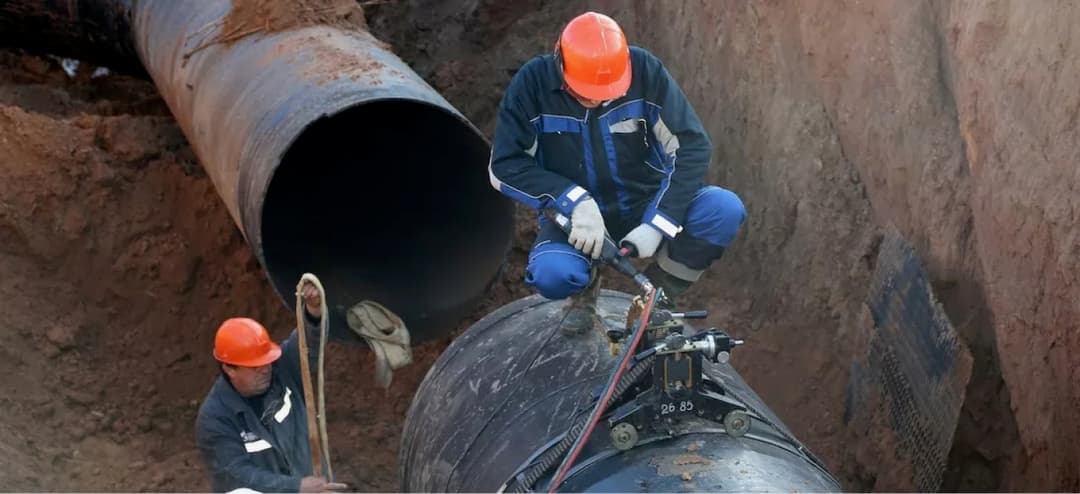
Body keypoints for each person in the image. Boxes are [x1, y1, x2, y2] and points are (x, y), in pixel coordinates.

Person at [488, 11, 747, 334]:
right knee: (553, 274)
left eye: (606, 92)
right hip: (576, 220)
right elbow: (505, 166)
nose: (596, 100)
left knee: (723, 209)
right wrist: (573, 200)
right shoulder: (532, 85)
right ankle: (582, 295)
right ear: (561, 65)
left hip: (646, 201)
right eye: (586, 92)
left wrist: (659, 222)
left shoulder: (646, 72)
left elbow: (691, 147)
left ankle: (658, 297)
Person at [195, 281, 347, 493]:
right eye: (255, 366)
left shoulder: (280, 369)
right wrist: (297, 487)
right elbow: (239, 475)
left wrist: (314, 310)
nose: (265, 369)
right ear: (230, 369)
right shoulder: (215, 418)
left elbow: (306, 345)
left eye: (266, 361)